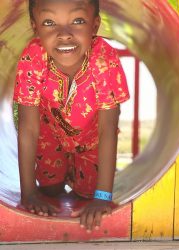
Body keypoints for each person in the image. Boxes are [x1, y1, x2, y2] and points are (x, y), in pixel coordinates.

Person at [13, 0, 129, 233]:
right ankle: (50, 190)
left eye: (77, 21)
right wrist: (28, 193)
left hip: (92, 140)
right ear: (35, 28)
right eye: (49, 22)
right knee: (50, 189)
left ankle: (82, 194)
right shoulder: (32, 58)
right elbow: (29, 128)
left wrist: (103, 197)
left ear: (94, 26)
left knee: (87, 195)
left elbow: (108, 129)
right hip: (50, 136)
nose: (64, 34)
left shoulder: (104, 59)